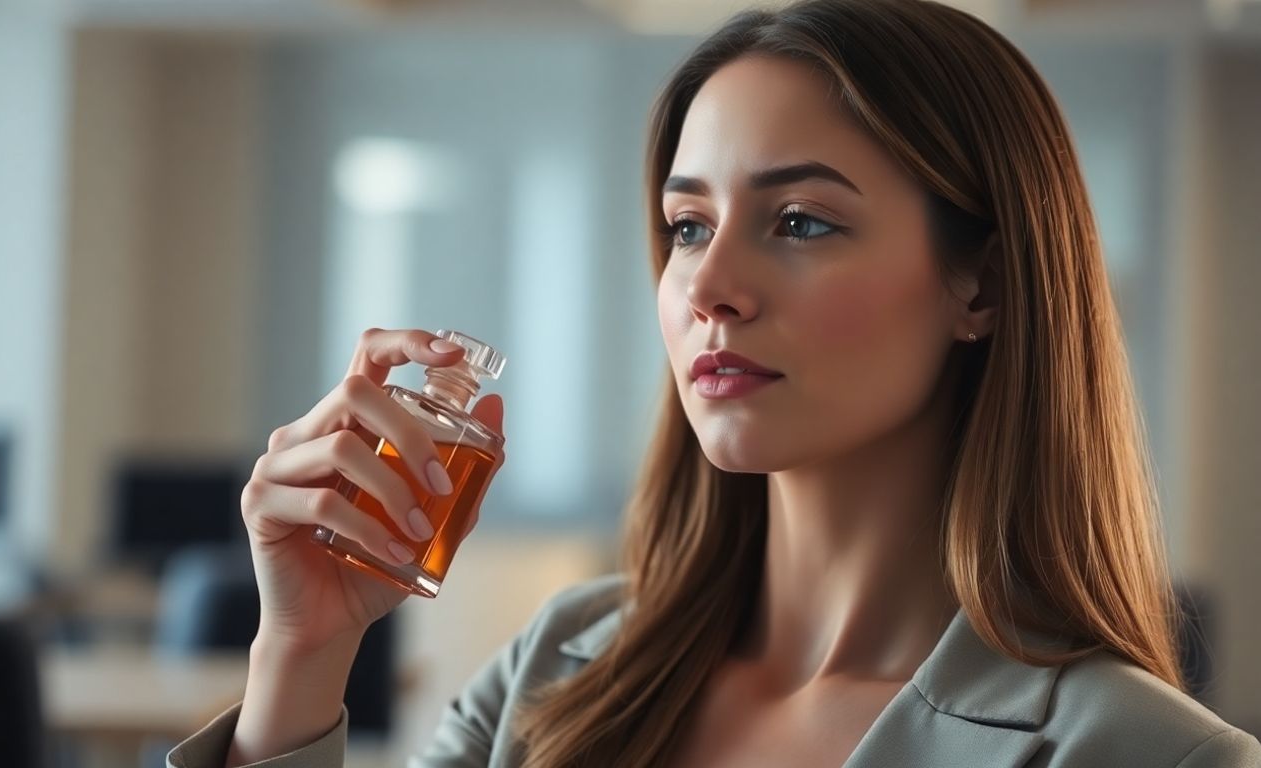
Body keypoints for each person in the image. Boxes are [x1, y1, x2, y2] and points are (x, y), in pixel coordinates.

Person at [168, 1, 1261, 766]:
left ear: (980, 287)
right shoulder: (556, 668)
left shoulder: (1146, 755)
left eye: (800, 222)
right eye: (686, 226)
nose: (711, 285)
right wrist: (302, 661)